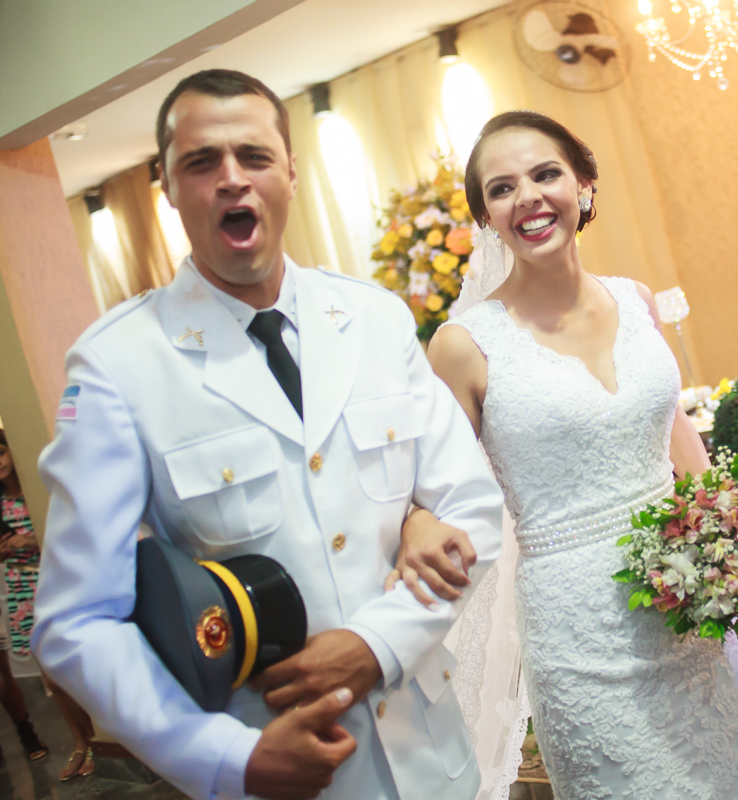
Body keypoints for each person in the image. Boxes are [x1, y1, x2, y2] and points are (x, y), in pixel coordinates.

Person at [32, 69, 504, 800]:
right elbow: (76, 621)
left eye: (253, 156)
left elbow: (471, 504)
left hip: (434, 760)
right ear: (167, 186)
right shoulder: (117, 365)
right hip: (275, 767)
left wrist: (376, 644)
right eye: (201, 162)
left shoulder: (373, 320)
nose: (231, 179)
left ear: (288, 170)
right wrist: (225, 759)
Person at [396, 110, 738, 800]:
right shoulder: (463, 345)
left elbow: (679, 441)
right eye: (503, 188)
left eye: (546, 174)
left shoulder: (635, 301)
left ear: (585, 185)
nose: (530, 198)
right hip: (579, 629)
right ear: (485, 216)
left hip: (694, 597)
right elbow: (432, 491)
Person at [1, 429, 97, 781]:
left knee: (75, 672)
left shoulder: (36, 490)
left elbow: (63, 534)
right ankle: (81, 744)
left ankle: (97, 744)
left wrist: (32, 539)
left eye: (1, 454)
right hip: (20, 589)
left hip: (55, 583)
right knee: (51, 681)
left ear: (12, 453)